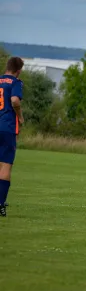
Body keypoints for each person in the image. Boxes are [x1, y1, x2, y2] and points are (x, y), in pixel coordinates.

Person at [0, 57, 24, 217]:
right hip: (7, 127)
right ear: (19, 70)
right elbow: (15, 100)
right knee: (5, 165)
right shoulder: (15, 82)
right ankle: (0, 204)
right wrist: (20, 117)